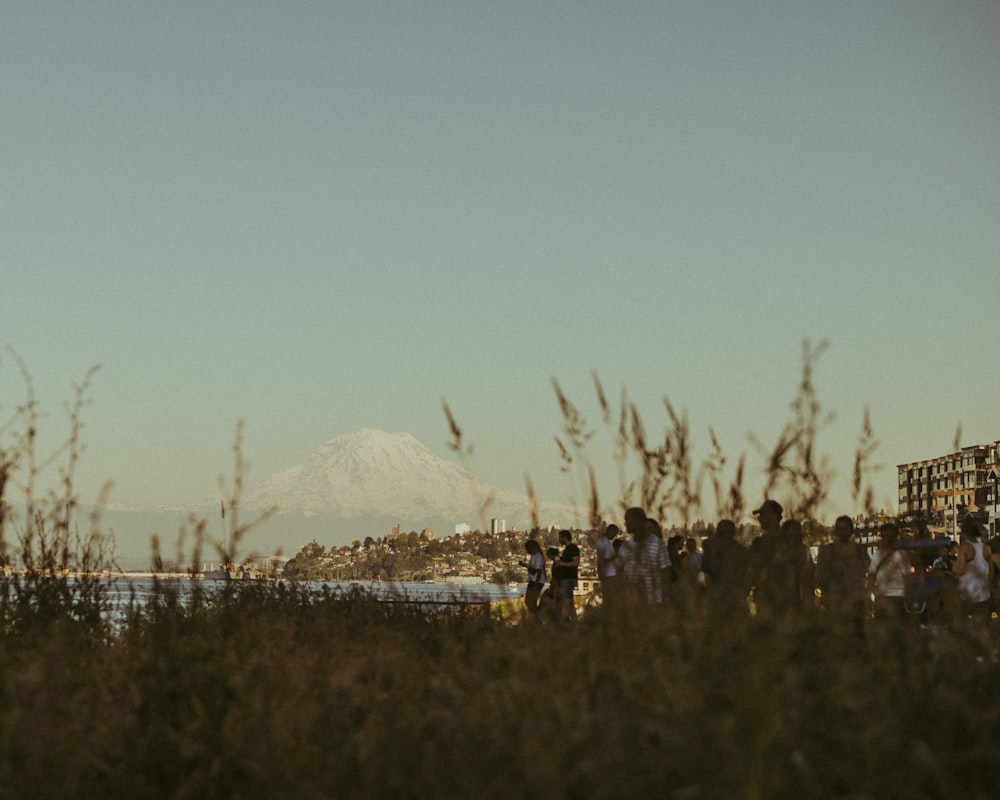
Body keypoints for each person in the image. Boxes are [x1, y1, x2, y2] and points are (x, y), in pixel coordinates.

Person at [745, 500, 812, 620]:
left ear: (774, 516)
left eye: (763, 515)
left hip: (786, 605)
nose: (760, 519)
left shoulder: (791, 542)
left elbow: (803, 574)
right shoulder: (759, 544)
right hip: (768, 605)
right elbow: (751, 573)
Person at [815, 515, 869, 633]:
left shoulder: (861, 550)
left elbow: (865, 570)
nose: (843, 532)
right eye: (839, 529)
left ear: (851, 530)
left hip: (855, 602)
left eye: (845, 528)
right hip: (835, 602)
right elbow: (820, 575)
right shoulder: (826, 551)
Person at [620, 507, 671, 605]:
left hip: (653, 602)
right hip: (632, 603)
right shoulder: (626, 547)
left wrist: (665, 598)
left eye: (628, 520)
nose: (626, 524)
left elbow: (665, 573)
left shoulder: (657, 545)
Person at [701, 519, 749, 618]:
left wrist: (711, 596)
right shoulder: (742, 552)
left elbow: (707, 577)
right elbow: (748, 576)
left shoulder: (711, 552)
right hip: (736, 598)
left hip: (718, 600)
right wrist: (743, 596)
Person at [867, 522, 910, 619]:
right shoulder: (901, 555)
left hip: (889, 598)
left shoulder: (877, 556)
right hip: (893, 598)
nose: (888, 539)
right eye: (886, 536)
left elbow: (871, 578)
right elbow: (908, 578)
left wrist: (873, 593)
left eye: (890, 536)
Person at [954, 516, 992, 619]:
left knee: (962, 625)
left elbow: (960, 571)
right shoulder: (986, 548)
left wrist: (955, 569)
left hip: (967, 595)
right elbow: (991, 573)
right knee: (982, 627)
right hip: (984, 595)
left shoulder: (964, 548)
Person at [594, 523, 621, 612]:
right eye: (614, 533)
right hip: (608, 575)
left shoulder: (606, 542)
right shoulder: (603, 542)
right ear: (610, 531)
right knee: (609, 599)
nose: (614, 536)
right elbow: (604, 560)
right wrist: (616, 556)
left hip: (609, 574)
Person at [556, 530, 580, 622]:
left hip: (569, 578)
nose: (559, 540)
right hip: (566, 578)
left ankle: (562, 621)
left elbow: (576, 562)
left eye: (560, 538)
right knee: (569, 602)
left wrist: (562, 564)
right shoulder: (566, 549)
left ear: (564, 537)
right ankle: (575, 621)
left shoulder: (572, 548)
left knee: (566, 601)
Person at [520, 539, 546, 616]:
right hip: (534, 580)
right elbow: (533, 569)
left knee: (531, 601)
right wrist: (525, 565)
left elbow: (538, 571)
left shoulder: (538, 556)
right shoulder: (534, 556)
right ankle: (536, 616)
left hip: (536, 581)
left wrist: (536, 584)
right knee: (528, 601)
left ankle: (537, 617)